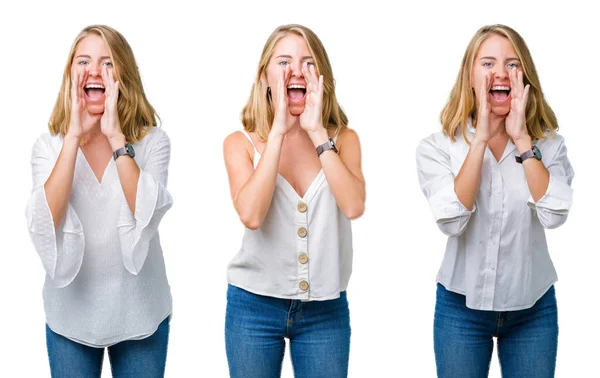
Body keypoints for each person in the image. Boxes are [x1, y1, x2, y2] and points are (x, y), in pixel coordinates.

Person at [416, 24, 574, 377]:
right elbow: (452, 221)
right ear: (470, 76)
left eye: (512, 64)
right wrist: (481, 140)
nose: (500, 72)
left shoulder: (548, 146)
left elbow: (554, 214)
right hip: (461, 310)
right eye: (487, 63)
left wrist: (521, 139)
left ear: (525, 78)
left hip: (533, 309)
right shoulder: (438, 147)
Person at [25, 25, 172, 377]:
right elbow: (48, 220)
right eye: (83, 61)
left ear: (123, 74)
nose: (94, 71)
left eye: (107, 63)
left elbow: (145, 212)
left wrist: (115, 136)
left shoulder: (154, 143)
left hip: (140, 313)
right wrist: (74, 134)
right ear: (70, 75)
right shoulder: (48, 147)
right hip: (71, 319)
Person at [222, 24, 366, 378]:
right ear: (264, 77)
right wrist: (277, 134)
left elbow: (354, 206)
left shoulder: (343, 139)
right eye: (284, 62)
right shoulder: (240, 143)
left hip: (325, 313)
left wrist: (318, 133)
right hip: (252, 308)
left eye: (307, 62)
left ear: (321, 77)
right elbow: (251, 214)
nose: (296, 71)